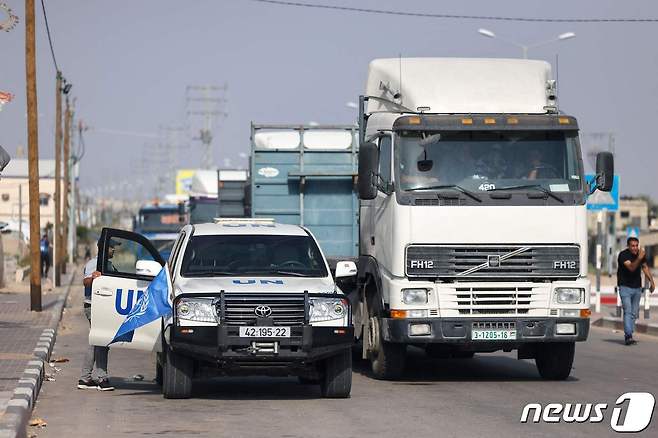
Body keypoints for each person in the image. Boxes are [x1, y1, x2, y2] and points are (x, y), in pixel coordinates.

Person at [77, 239, 120, 391]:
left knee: (96, 341)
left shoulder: (108, 264)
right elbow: (86, 281)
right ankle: (102, 378)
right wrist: (93, 277)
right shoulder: (94, 263)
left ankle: (85, 378)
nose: (113, 250)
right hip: (94, 306)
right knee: (101, 340)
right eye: (111, 247)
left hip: (103, 307)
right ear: (103, 248)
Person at [617, 237, 655, 345]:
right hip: (624, 287)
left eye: (636, 245)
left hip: (637, 288)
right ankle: (628, 336)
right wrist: (639, 257)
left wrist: (652, 282)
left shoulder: (640, 255)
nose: (635, 248)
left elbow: (645, 267)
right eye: (632, 246)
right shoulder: (623, 255)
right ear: (628, 246)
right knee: (628, 311)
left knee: (634, 313)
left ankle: (629, 334)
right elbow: (632, 268)